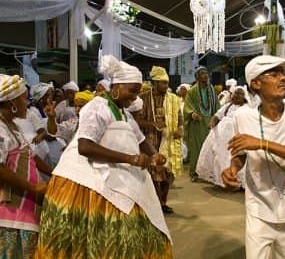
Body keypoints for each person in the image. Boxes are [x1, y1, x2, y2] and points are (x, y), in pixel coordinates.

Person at [35, 56, 173, 258]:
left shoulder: (123, 113)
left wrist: (155, 155)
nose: (135, 97)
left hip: (116, 174)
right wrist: (131, 159)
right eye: (132, 91)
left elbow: (141, 139)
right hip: (85, 181)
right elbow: (85, 146)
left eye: (137, 92)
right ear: (116, 87)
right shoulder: (97, 107)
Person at [222, 55, 285, 259]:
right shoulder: (243, 116)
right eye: (274, 74)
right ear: (256, 83)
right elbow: (240, 154)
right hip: (258, 208)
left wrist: (262, 144)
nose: (282, 78)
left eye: (283, 73)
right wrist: (232, 169)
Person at [0, 74, 50, 258]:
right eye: (23, 97)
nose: (27, 102)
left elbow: (33, 158)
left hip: (26, 209)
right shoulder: (1, 129)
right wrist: (33, 187)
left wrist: (56, 175)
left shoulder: (15, 127)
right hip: (10, 215)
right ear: (11, 101)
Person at [138, 66, 182, 214]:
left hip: (168, 143)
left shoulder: (174, 100)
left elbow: (180, 120)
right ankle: (154, 204)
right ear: (154, 83)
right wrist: (153, 124)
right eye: (163, 83)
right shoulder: (143, 99)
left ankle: (163, 203)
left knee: (167, 176)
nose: (166, 86)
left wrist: (179, 130)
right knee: (154, 176)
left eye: (166, 83)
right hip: (149, 143)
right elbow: (136, 120)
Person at [196, 85, 248, 188]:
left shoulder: (247, 108)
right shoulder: (227, 106)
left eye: (240, 94)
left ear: (245, 96)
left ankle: (237, 180)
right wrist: (212, 123)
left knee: (235, 157)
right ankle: (221, 179)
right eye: (236, 93)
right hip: (221, 137)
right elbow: (217, 116)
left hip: (236, 134)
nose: (238, 96)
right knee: (220, 157)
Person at [184, 66, 220, 182]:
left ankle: (207, 172)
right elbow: (187, 105)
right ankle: (194, 172)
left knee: (209, 148)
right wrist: (192, 113)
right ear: (197, 76)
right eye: (202, 73)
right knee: (196, 148)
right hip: (197, 123)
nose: (205, 75)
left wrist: (217, 117)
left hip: (209, 122)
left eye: (206, 73)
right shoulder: (192, 91)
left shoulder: (212, 89)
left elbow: (217, 106)